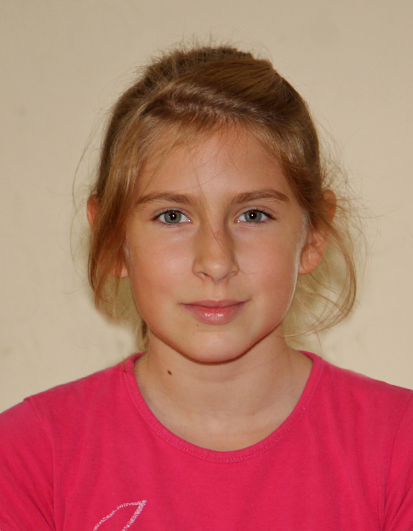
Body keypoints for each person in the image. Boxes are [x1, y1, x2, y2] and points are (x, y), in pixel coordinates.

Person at [1, 44, 412, 531]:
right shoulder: (29, 459)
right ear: (112, 239)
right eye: (172, 216)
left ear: (313, 236)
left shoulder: (399, 449)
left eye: (253, 215)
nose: (216, 262)